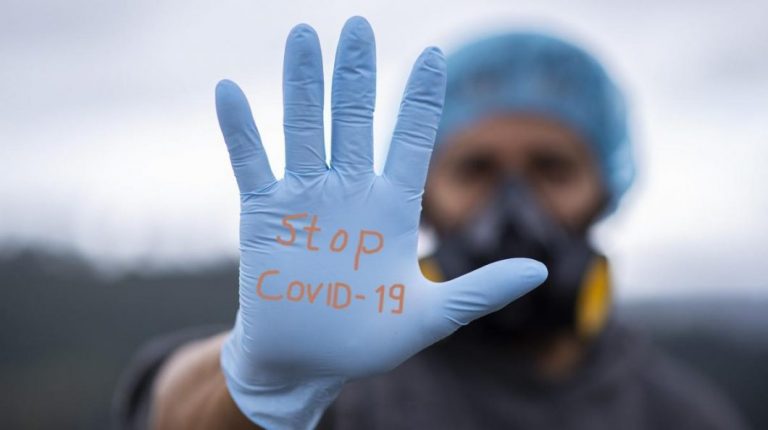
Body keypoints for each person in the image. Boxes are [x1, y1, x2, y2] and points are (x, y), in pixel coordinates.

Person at [112, 17, 747, 430]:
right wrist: (257, 384)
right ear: (423, 193)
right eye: (475, 169)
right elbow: (163, 415)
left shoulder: (685, 415)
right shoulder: (351, 379)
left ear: (605, 190)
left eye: (552, 169)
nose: (514, 206)